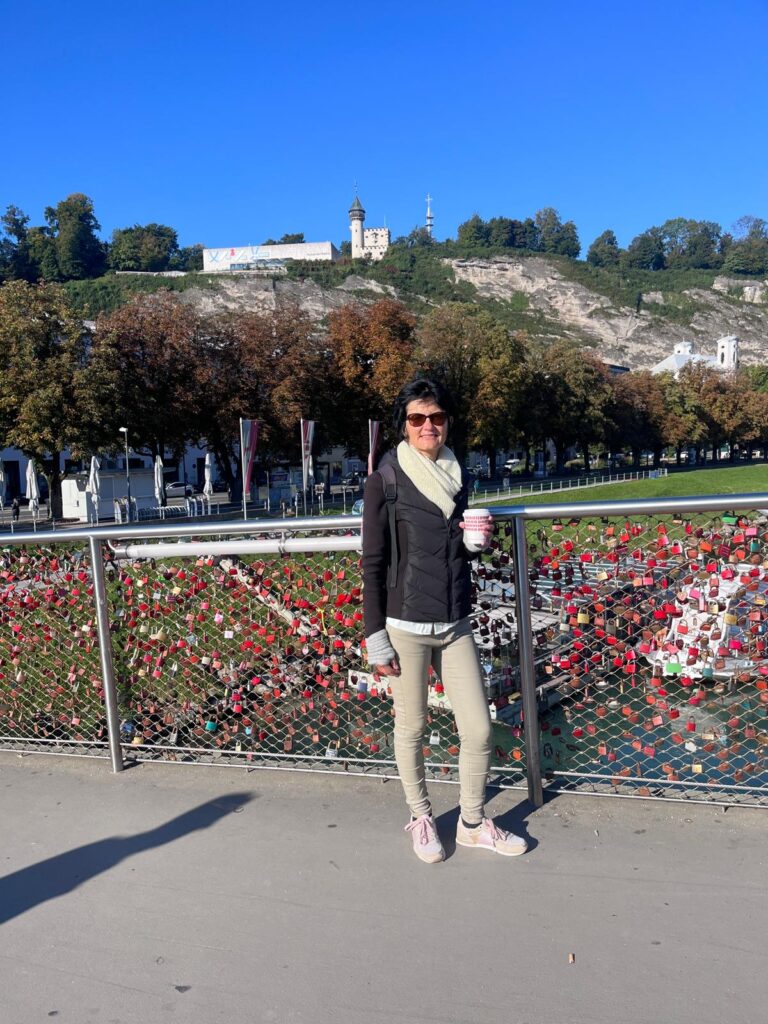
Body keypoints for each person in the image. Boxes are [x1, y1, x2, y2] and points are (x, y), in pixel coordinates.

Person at [362, 377, 528, 864]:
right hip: (405, 624)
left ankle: (473, 823)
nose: (428, 426)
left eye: (436, 418)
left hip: (455, 621)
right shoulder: (385, 480)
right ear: (404, 426)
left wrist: (480, 541)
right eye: (418, 419)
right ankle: (420, 817)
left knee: (477, 729)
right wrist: (375, 636)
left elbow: (453, 550)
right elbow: (372, 562)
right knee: (410, 729)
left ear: (447, 423)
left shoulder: (459, 476)